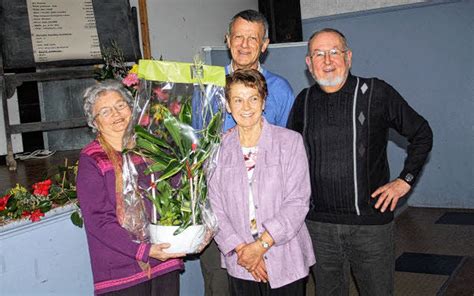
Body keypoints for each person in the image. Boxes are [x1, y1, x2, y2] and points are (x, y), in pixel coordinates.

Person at [287, 28, 433, 295]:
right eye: (318, 54)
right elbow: (290, 160)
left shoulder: (377, 92)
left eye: (334, 52)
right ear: (309, 64)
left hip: (370, 228)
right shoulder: (302, 102)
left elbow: (422, 133)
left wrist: (405, 181)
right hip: (319, 228)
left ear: (349, 57)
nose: (327, 60)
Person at [200, 10, 296, 295]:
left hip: (268, 222)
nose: (243, 45)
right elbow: (193, 149)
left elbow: (289, 157)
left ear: (264, 44)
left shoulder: (281, 90)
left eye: (252, 38)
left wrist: (260, 244)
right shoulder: (206, 88)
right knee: (220, 287)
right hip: (220, 217)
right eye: (238, 37)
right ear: (228, 40)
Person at [208, 69, 315, 296]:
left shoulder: (290, 142)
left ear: (264, 102)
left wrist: (261, 246)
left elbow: (297, 203)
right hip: (241, 259)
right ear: (227, 105)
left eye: (253, 98)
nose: (246, 107)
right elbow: (214, 208)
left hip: (284, 254)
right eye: (238, 100)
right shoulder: (217, 149)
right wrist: (243, 250)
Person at [77, 80, 185, 295]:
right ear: (95, 122)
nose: (116, 114)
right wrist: (143, 250)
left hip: (164, 257)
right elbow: (98, 219)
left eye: (120, 105)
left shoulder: (152, 147)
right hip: (121, 270)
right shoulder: (91, 159)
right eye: (105, 112)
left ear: (132, 109)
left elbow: (176, 192)